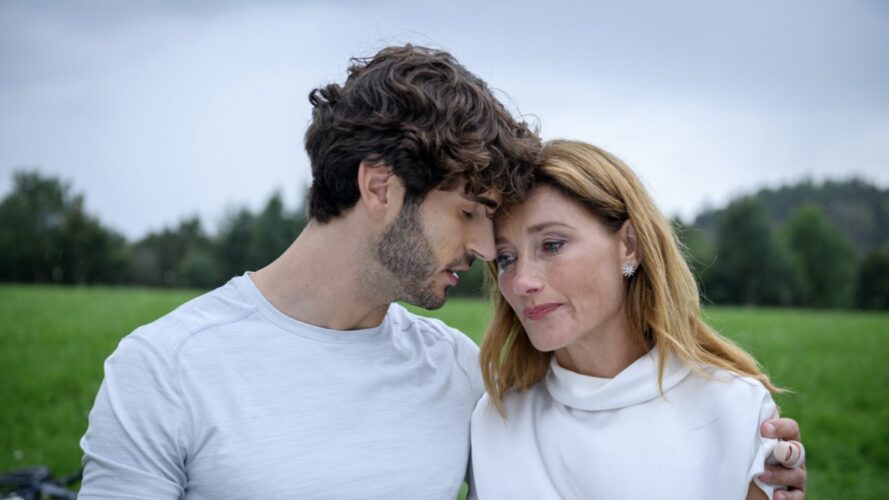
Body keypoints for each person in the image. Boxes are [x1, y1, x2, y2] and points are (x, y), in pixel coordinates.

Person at [78, 46, 805, 499]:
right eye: (468, 213)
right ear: (380, 188)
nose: (489, 252)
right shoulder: (165, 369)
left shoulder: (462, 374)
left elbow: (602, 435)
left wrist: (743, 465)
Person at [471, 140, 807, 500]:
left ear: (629, 245)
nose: (521, 281)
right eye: (506, 258)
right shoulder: (495, 419)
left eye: (552, 245)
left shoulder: (735, 409)